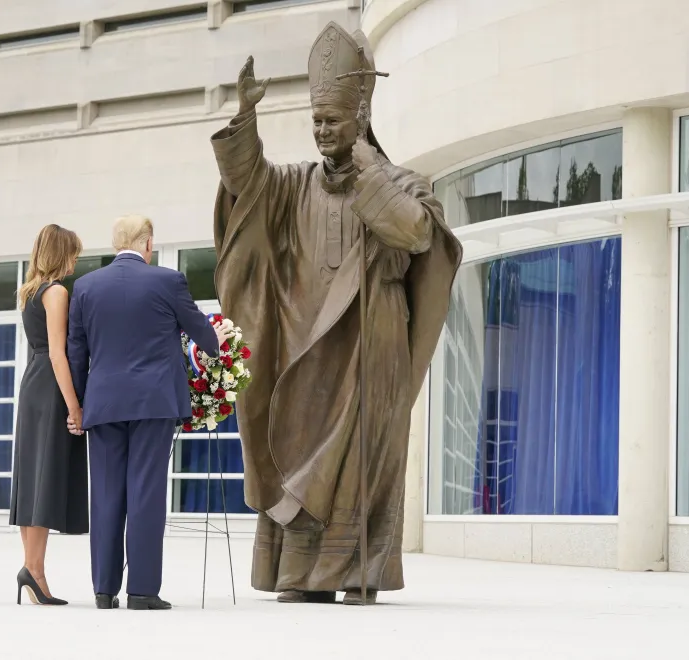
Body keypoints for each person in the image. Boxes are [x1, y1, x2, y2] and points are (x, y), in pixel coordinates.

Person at [210, 24, 462, 604]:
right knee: (294, 450)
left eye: (334, 121)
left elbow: (418, 232)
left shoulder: (403, 182)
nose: (323, 132)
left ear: (362, 113)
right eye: (316, 121)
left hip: (370, 347)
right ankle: (296, 576)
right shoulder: (294, 185)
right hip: (302, 342)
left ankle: (357, 574)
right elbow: (245, 187)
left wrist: (372, 171)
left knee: (361, 461)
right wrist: (246, 119)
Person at [66, 215, 233, 611]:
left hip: (103, 404)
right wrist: (217, 337)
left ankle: (104, 591)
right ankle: (142, 591)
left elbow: (77, 353)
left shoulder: (86, 287)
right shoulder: (167, 281)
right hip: (153, 403)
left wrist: (77, 404)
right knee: (145, 494)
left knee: (105, 496)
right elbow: (201, 333)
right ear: (147, 244)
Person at [10, 223, 89, 606]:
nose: (76, 261)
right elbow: (59, 354)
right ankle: (35, 572)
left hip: (33, 384)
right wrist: (75, 407)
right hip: (51, 387)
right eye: (73, 253)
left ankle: (31, 568)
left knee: (32, 478)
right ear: (62, 253)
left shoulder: (29, 292)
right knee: (42, 479)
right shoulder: (56, 292)